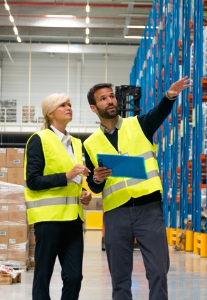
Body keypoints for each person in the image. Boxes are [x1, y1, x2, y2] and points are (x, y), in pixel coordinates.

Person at [82, 77, 191, 300]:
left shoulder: (139, 125)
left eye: (111, 96)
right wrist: (98, 179)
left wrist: (169, 96)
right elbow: (93, 185)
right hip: (116, 214)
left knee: (158, 271)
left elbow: (159, 113)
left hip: (148, 209)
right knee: (120, 278)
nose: (110, 101)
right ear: (94, 108)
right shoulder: (90, 143)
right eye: (103, 99)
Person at [24, 93, 91, 300]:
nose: (68, 107)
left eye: (70, 104)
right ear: (50, 113)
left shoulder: (77, 144)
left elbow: (74, 181)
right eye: (63, 105)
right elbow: (32, 181)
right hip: (49, 219)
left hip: (73, 220)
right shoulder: (39, 139)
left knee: (74, 276)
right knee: (43, 275)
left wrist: (83, 193)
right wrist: (66, 176)